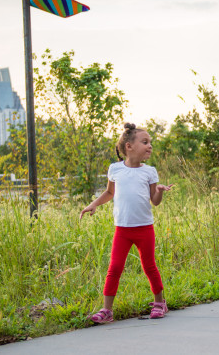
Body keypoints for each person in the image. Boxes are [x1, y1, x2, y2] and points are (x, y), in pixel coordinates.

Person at [80, 123, 175, 322]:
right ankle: (107, 310)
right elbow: (109, 192)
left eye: (150, 143)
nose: (150, 146)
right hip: (122, 230)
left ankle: (160, 303)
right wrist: (93, 204)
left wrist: (158, 192)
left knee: (149, 266)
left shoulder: (150, 172)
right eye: (145, 142)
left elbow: (154, 202)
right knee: (114, 268)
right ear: (128, 146)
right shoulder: (115, 169)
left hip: (144, 228)